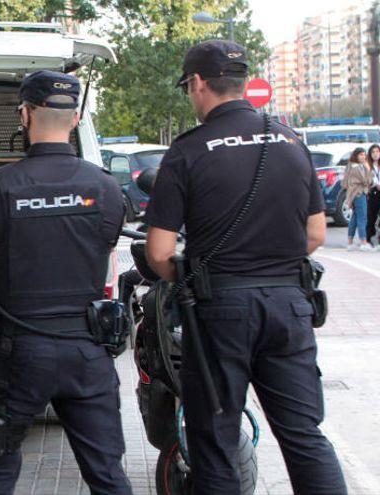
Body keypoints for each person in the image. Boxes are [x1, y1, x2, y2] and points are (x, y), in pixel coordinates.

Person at [144, 40, 347, 494]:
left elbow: (158, 253)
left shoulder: (188, 150)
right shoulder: (292, 140)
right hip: (290, 307)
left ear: (198, 84)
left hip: (220, 313)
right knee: (303, 436)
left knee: (214, 441)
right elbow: (315, 234)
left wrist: (198, 276)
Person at [0, 70, 132, 495]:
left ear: (25, 114)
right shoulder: (106, 187)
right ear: (74, 119)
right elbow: (106, 246)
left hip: (18, 355)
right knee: (108, 475)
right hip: (88, 353)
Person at [345, 147, 374, 251]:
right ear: (356, 155)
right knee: (363, 217)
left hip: (355, 194)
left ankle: (350, 242)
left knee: (355, 218)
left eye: (364, 154)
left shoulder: (352, 166)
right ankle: (363, 242)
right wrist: (368, 168)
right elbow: (367, 181)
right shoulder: (356, 167)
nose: (364, 156)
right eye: (361, 154)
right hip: (359, 193)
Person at [366, 144, 380, 247]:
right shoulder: (368, 166)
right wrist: (375, 184)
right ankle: (369, 238)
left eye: (377, 152)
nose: (375, 154)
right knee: (371, 216)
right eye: (373, 152)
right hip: (373, 192)